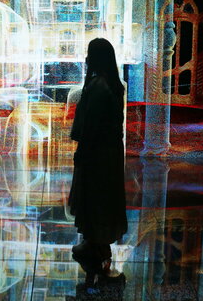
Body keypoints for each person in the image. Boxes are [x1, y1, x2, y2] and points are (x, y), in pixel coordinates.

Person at [69, 38, 128, 287]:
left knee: (94, 197)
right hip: (110, 153)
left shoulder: (98, 86)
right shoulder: (114, 85)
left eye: (88, 54)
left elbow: (91, 127)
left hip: (97, 154)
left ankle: (95, 245)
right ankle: (98, 244)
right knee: (105, 198)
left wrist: (82, 152)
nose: (85, 58)